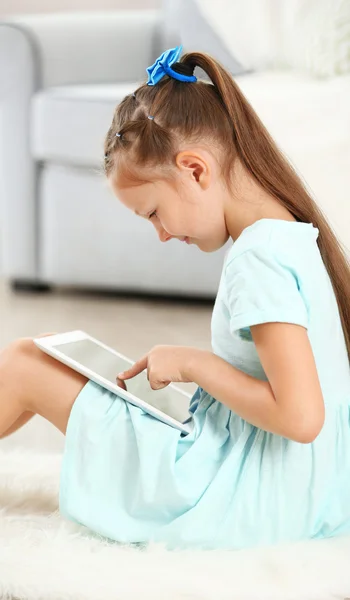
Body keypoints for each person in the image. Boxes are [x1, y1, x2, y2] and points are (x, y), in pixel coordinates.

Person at [1, 46, 350, 550]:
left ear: (195, 170)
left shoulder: (258, 259)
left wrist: (192, 364)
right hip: (299, 494)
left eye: (153, 213)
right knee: (51, 348)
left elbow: (299, 417)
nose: (161, 234)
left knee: (23, 364)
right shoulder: (287, 235)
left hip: (246, 499)